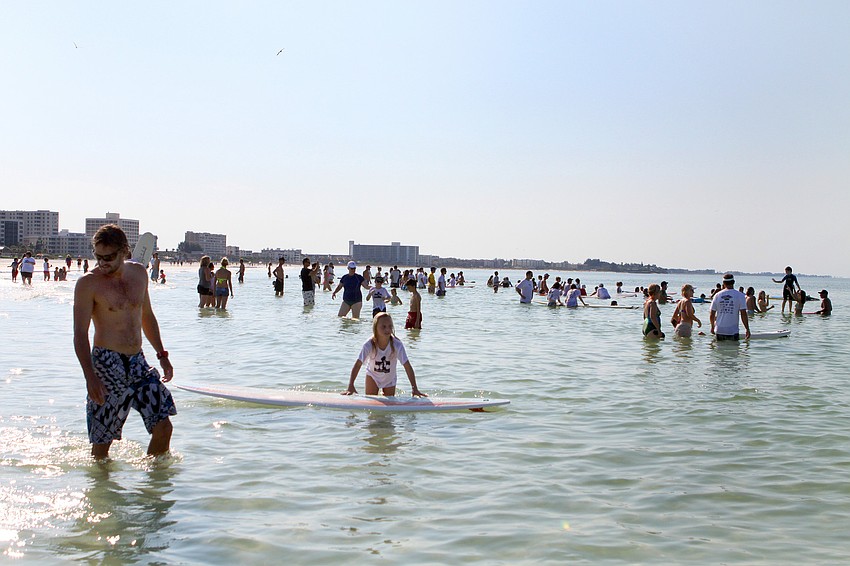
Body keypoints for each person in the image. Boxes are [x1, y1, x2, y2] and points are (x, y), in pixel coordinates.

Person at [73, 224, 175, 459]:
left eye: (108, 257)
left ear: (124, 252)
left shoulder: (139, 274)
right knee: (102, 445)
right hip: (106, 364)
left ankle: (154, 480)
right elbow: (80, 334)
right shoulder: (88, 284)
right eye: (98, 256)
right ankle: (102, 482)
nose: (102, 263)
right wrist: (90, 377)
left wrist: (162, 354)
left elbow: (146, 316)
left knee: (164, 427)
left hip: (138, 362)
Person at [343, 312, 425, 397]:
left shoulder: (397, 345)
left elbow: (407, 366)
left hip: (389, 378)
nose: (387, 329)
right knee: (371, 401)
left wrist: (414, 388)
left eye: (390, 326)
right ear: (376, 328)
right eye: (384, 326)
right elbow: (358, 364)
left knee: (389, 403)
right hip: (373, 376)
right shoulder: (369, 344)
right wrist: (351, 385)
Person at [710, 274, 750, 340]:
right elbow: (743, 314)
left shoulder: (717, 295)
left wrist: (712, 327)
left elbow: (712, 313)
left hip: (719, 330)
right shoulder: (740, 295)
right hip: (732, 330)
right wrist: (747, 329)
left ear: (723, 283)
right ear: (734, 282)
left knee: (719, 346)